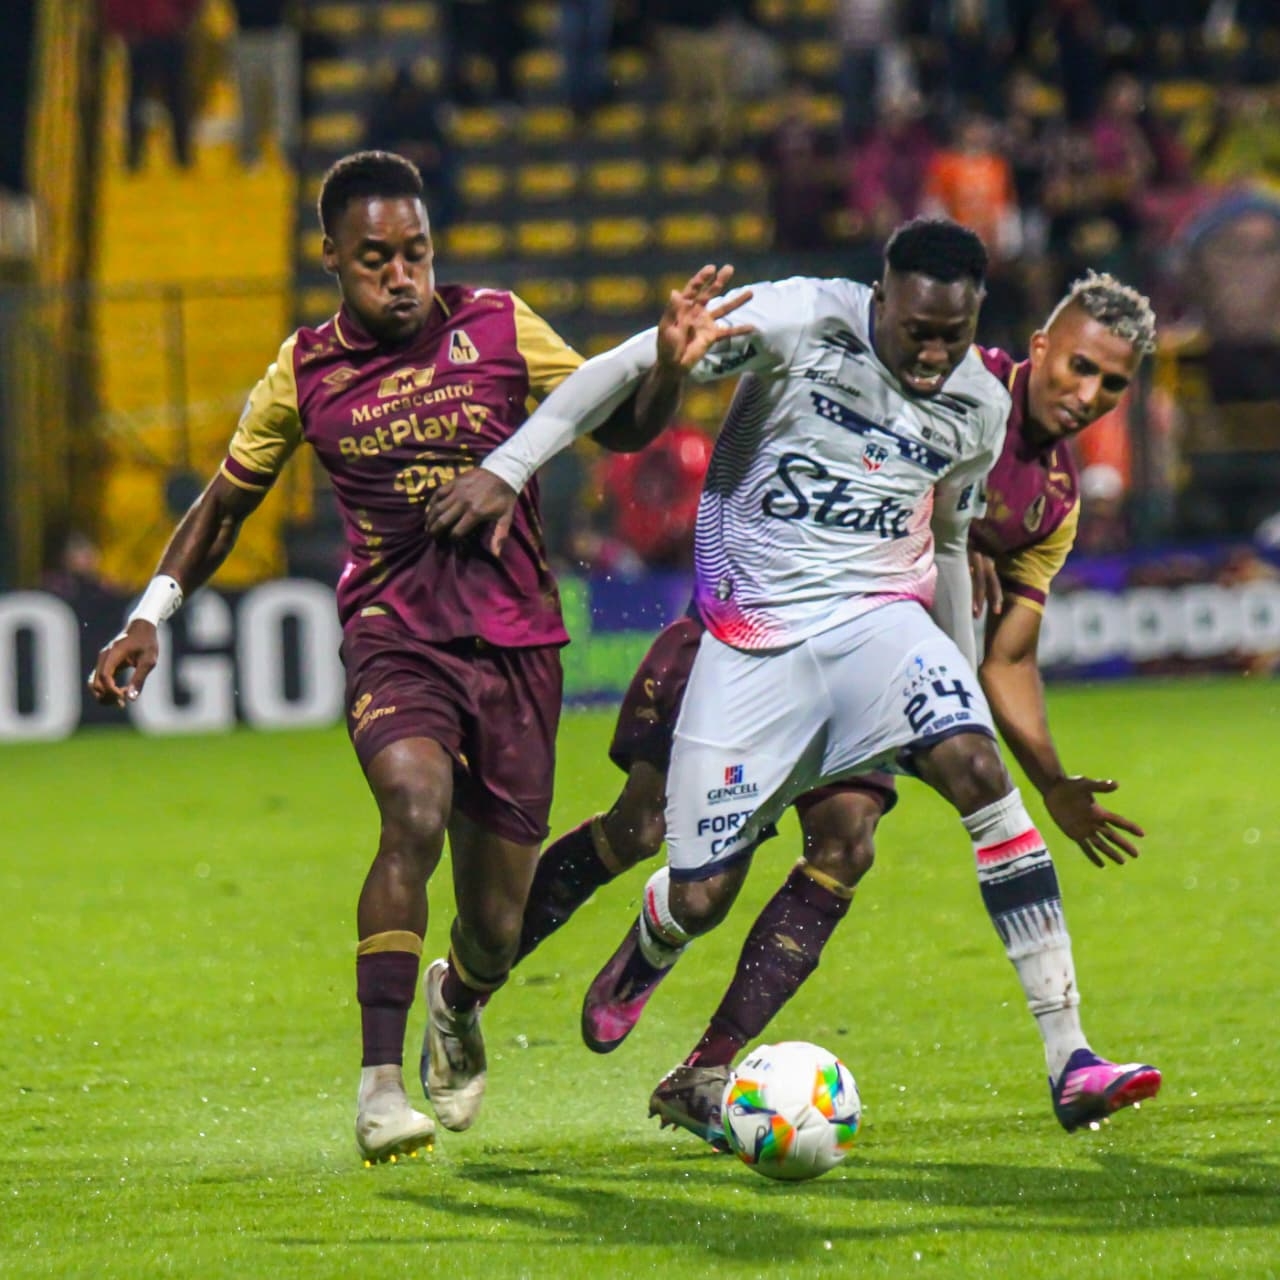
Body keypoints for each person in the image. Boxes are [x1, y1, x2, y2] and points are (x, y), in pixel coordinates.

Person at [427, 223, 1164, 1146]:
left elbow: (940, 546)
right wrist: (509, 466)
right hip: (744, 637)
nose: (935, 354)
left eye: (955, 332)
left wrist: (961, 695)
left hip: (873, 629)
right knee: (675, 868)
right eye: (917, 331)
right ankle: (575, 959)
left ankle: (1070, 1056)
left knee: (936, 796)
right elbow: (624, 368)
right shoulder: (799, 317)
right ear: (880, 300)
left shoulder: (986, 419)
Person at [87, 149, 752, 1166]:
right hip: (396, 640)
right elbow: (225, 505)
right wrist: (150, 613)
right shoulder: (302, 370)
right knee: (411, 809)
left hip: (518, 646)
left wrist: (663, 365)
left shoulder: (497, 324)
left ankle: (457, 994)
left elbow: (618, 429)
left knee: (491, 927)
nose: (401, 274)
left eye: (415, 252)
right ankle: (378, 1085)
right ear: (331, 261)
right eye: (374, 259)